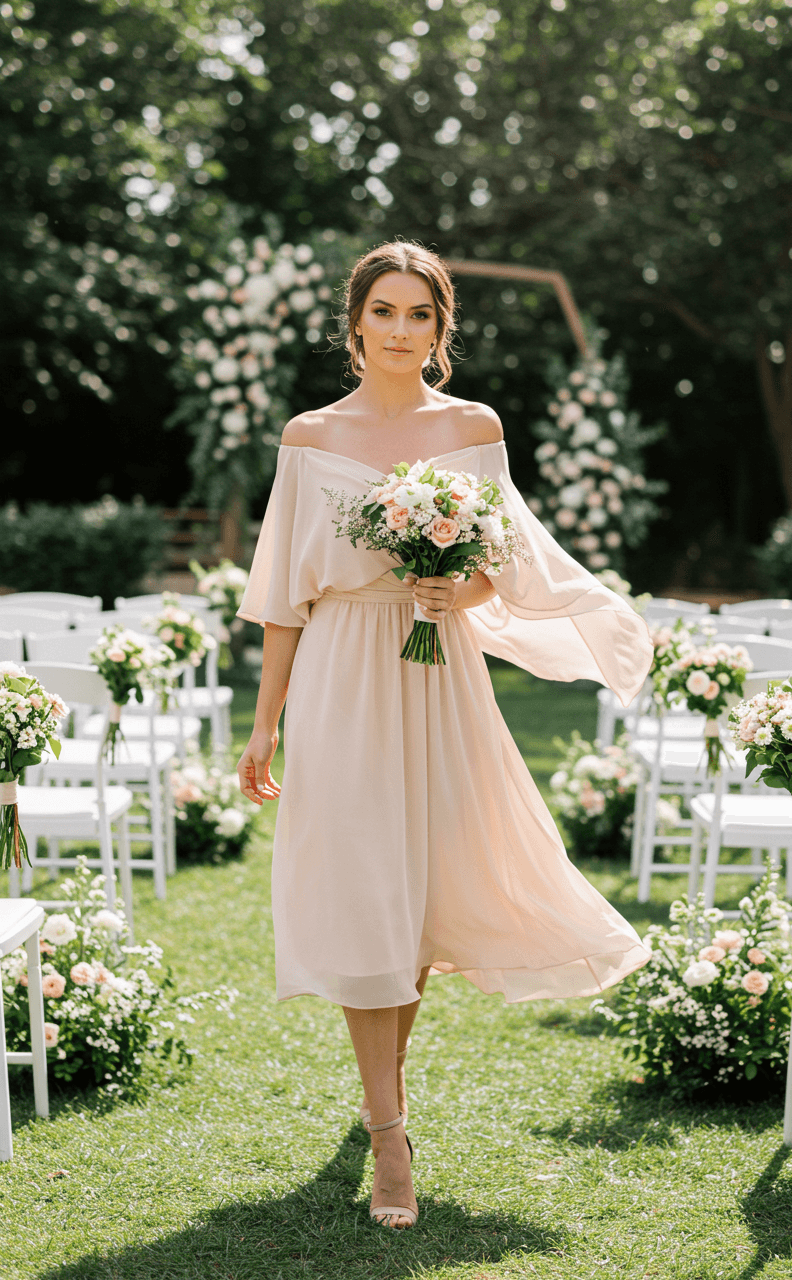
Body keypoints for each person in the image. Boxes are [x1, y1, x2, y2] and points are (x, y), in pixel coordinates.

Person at [235, 240, 654, 1232]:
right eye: (381, 310)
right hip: (340, 670)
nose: (398, 328)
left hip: (438, 667)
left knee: (414, 889)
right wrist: (263, 725)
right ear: (354, 323)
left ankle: (388, 1090)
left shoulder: (471, 427)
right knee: (360, 887)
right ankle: (389, 1137)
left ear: (439, 326)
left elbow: (498, 566)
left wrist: (450, 584)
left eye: (417, 313)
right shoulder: (309, 434)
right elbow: (283, 595)